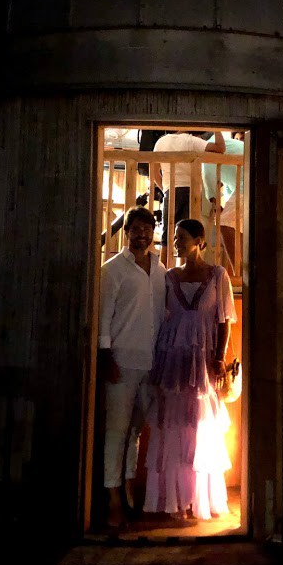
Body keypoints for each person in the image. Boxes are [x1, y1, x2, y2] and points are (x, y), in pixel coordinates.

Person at [143, 218, 237, 520]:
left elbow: (224, 320)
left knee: (199, 427)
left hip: (203, 360)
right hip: (172, 359)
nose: (176, 242)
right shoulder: (169, 277)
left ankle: (197, 499)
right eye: (174, 237)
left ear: (199, 240)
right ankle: (175, 500)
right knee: (173, 426)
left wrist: (219, 358)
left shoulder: (217, 275)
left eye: (182, 237)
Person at [98, 205, 167, 529]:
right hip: (121, 362)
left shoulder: (160, 269)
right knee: (116, 432)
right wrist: (105, 357)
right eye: (135, 229)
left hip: (151, 363)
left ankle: (127, 488)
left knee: (135, 432)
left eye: (147, 230)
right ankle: (112, 499)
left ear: (153, 234)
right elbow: (103, 318)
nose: (142, 235)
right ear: (126, 232)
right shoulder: (112, 270)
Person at [153, 130, 225, 266]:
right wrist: (217, 128)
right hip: (191, 192)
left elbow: (155, 172)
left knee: (166, 236)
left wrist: (166, 189)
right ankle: (183, 269)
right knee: (188, 236)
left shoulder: (161, 142)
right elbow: (220, 148)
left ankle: (162, 271)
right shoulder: (191, 141)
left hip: (170, 191)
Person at [202, 131, 244, 273]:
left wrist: (215, 204)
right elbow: (225, 184)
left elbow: (209, 178)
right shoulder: (228, 144)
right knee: (240, 229)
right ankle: (245, 272)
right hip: (248, 181)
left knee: (224, 223)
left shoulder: (209, 149)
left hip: (246, 183)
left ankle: (238, 273)